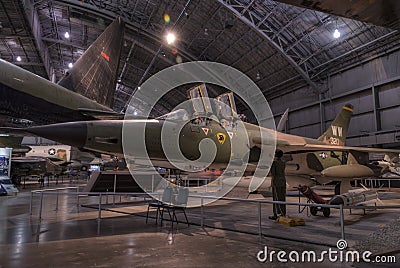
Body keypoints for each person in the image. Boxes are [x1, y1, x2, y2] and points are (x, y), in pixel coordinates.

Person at [269, 150, 286, 220]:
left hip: (277, 182)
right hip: (283, 181)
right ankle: (283, 212)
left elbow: (273, 174)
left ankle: (275, 214)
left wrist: (272, 183)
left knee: (276, 198)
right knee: (282, 197)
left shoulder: (274, 163)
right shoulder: (283, 162)